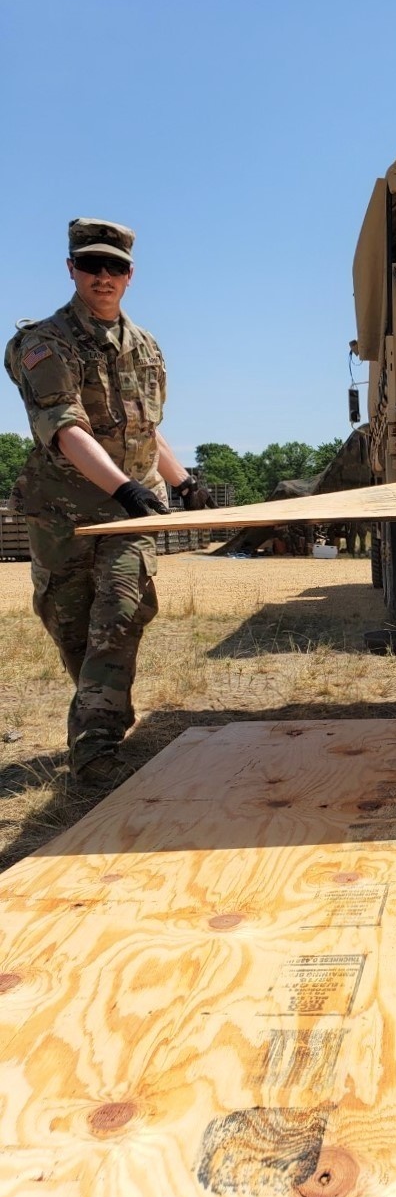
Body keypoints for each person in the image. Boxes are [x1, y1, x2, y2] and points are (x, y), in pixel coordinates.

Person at [4, 218, 215, 786]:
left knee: (120, 617)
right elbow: (66, 427)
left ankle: (95, 751)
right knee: (73, 633)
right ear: (71, 269)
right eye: (91, 265)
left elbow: (148, 429)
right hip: (64, 516)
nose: (103, 276)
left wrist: (182, 479)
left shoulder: (145, 346)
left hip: (128, 519)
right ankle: (105, 713)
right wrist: (124, 485)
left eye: (114, 267)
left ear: (130, 275)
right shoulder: (42, 343)